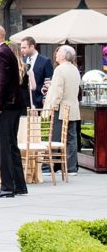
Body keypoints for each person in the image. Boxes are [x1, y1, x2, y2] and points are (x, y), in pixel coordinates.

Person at [0, 24, 27, 198]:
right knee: (11, 145)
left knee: (4, 146)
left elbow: (2, 83)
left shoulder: (1, 53)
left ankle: (8, 186)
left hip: (7, 107)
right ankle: (19, 185)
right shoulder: (5, 52)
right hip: (12, 105)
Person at [44, 44, 81, 175]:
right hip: (72, 107)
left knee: (55, 137)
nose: (56, 54)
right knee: (71, 138)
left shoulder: (60, 69)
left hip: (60, 108)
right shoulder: (75, 69)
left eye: (58, 52)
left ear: (64, 56)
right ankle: (71, 168)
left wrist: (50, 107)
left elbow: (58, 92)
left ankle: (52, 167)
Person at [20, 37, 54, 110]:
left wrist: (43, 98)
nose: (21, 50)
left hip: (39, 101)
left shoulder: (45, 61)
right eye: (21, 48)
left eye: (24, 48)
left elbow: (48, 81)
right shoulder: (22, 60)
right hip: (24, 101)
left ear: (32, 47)